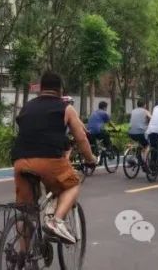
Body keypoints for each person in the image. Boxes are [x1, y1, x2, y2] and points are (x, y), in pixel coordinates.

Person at [11, 72, 97, 244]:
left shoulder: (27, 107)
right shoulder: (66, 108)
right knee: (72, 184)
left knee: (27, 212)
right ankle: (56, 221)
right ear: (60, 90)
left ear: (41, 88)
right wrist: (90, 159)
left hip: (20, 161)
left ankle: (22, 254)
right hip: (49, 160)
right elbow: (81, 138)